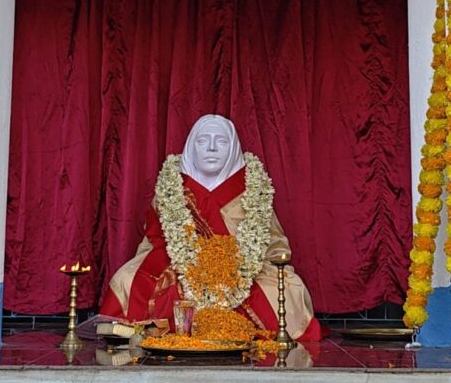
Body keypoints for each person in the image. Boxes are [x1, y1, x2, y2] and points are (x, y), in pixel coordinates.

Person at [98, 114, 322, 340]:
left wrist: (249, 266)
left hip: (242, 270)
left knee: (287, 290)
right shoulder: (172, 188)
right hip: (182, 267)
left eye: (221, 141)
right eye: (203, 141)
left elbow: (274, 242)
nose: (212, 148)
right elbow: (154, 238)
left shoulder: (253, 189)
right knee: (127, 278)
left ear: (233, 148)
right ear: (191, 146)